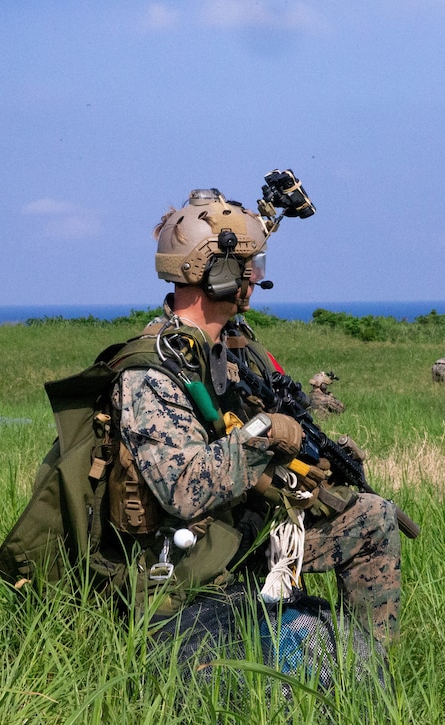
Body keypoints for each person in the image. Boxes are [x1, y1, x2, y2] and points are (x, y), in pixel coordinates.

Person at [106, 185, 402, 645]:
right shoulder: (153, 371)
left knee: (372, 517)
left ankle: (369, 674)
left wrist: (314, 453)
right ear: (215, 271)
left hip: (240, 536)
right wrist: (266, 436)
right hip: (184, 565)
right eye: (248, 267)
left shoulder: (229, 347)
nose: (254, 279)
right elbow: (184, 488)